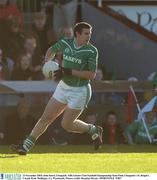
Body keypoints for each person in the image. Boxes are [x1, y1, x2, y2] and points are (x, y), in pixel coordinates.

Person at [12, 22, 103, 155]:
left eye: (90, 33)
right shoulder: (66, 42)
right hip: (63, 87)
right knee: (45, 118)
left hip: (80, 91)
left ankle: (93, 129)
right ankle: (25, 147)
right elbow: (51, 50)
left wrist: (68, 71)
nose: (89, 36)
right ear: (77, 34)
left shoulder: (91, 50)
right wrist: (47, 63)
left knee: (66, 125)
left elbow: (91, 74)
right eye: (86, 33)